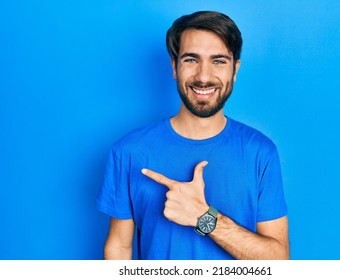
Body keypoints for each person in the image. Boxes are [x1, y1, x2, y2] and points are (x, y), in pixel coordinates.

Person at [96, 11, 289, 260]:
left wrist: (203, 217)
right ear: (174, 66)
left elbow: (278, 261)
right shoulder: (128, 152)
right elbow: (119, 249)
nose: (204, 77)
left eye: (218, 61)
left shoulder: (260, 152)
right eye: (191, 60)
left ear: (235, 70)